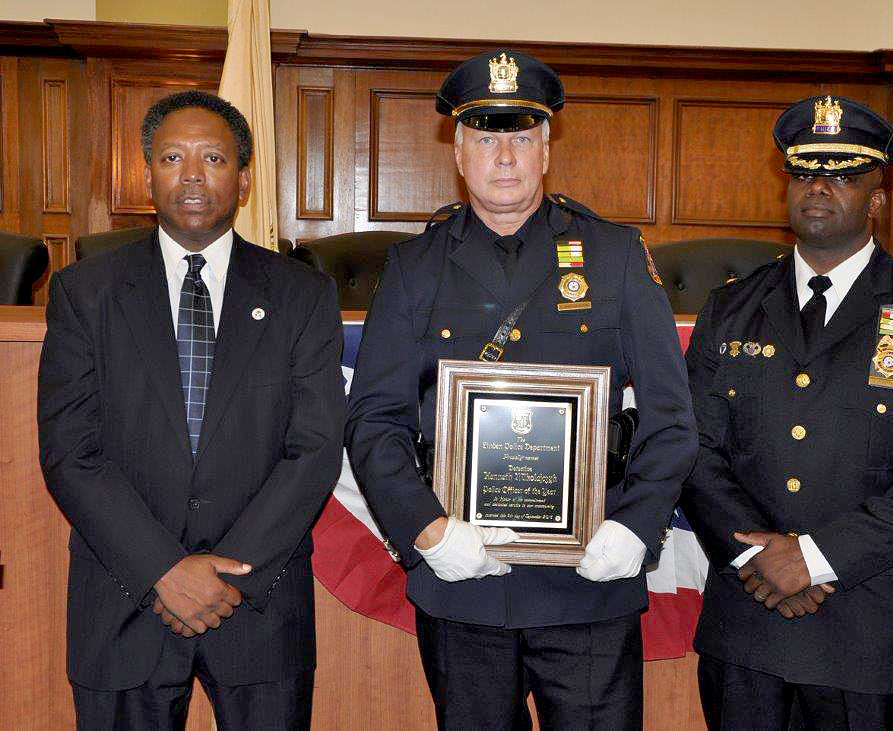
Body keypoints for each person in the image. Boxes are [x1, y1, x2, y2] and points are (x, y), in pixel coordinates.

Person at [345, 50, 696, 729]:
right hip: (464, 586)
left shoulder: (616, 255)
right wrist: (428, 532)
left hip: (590, 583)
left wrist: (636, 524)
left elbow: (672, 419)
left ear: (545, 149)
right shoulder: (416, 266)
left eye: (521, 135)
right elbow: (373, 421)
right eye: (485, 135)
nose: (503, 155)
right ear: (459, 153)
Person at [680, 94, 893, 729]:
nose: (818, 188)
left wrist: (813, 558)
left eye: (843, 174)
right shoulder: (730, 309)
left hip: (868, 631)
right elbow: (693, 449)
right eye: (804, 172)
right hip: (749, 624)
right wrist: (757, 557)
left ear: (878, 198)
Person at [37, 90, 346, 730]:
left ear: (245, 178)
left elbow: (313, 449)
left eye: (214, 158)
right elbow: (73, 451)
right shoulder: (84, 292)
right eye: (174, 157)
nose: (193, 176)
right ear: (148, 172)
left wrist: (231, 573)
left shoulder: (303, 295)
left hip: (258, 606)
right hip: (125, 601)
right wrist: (162, 571)